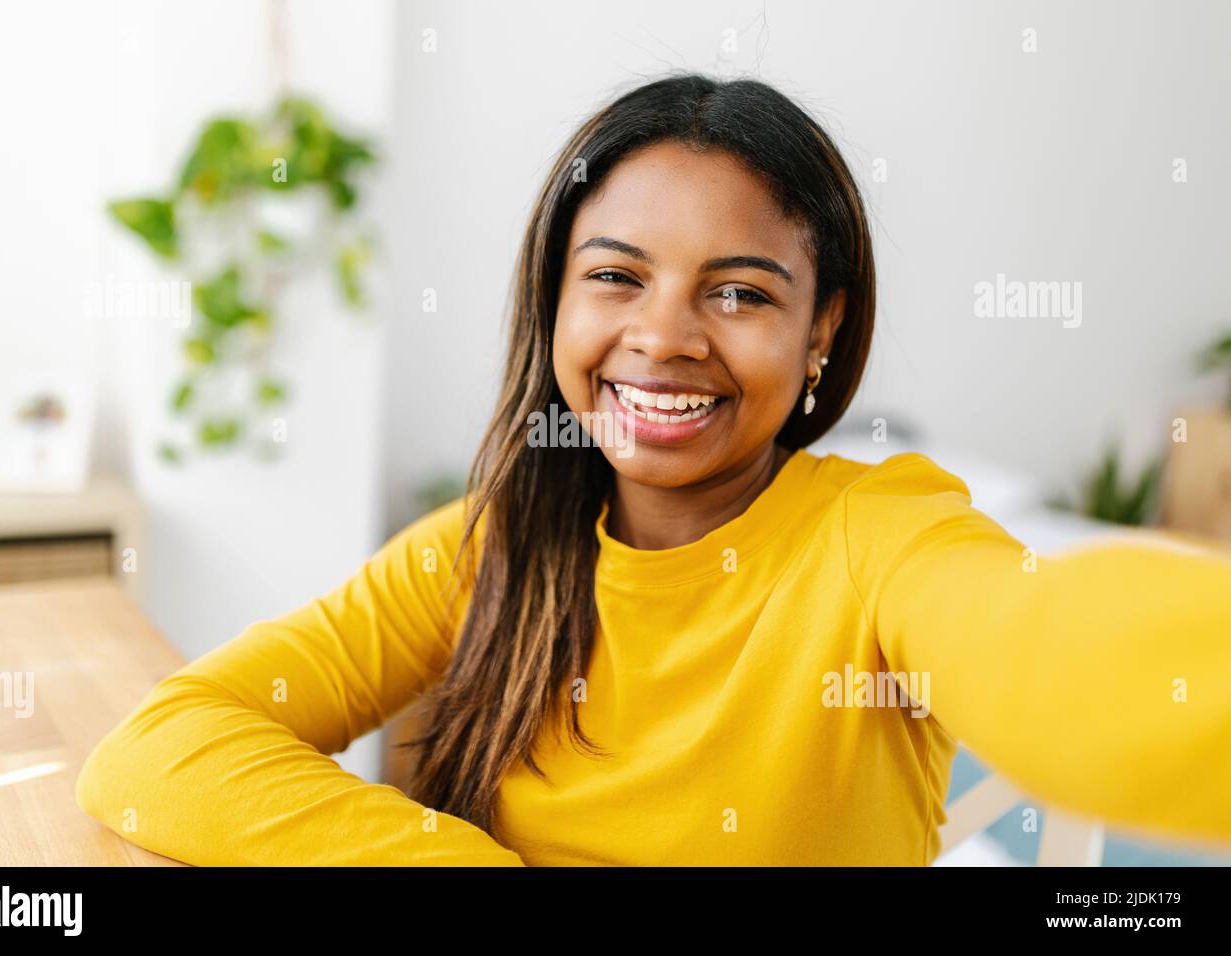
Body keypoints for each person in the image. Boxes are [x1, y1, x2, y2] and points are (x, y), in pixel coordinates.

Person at [76, 73, 1231, 866]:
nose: (666, 337)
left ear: (822, 324)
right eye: (617, 276)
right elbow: (161, 745)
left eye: (738, 291)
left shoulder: (882, 535)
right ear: (555, 298)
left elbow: (1054, 649)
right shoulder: (487, 546)